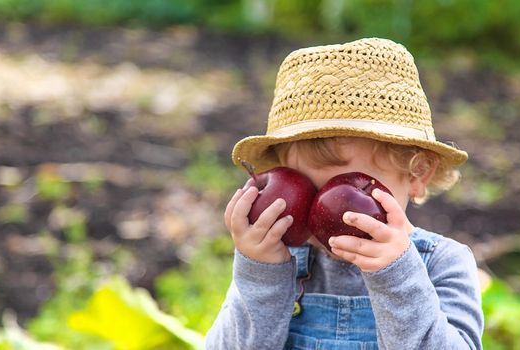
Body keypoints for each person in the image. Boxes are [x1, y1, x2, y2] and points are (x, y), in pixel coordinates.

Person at [205, 38, 483, 350]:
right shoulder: (280, 262)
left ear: (417, 174)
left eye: (348, 186)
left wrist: (397, 277)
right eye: (307, 190)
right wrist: (259, 275)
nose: (322, 210)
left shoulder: (442, 265)